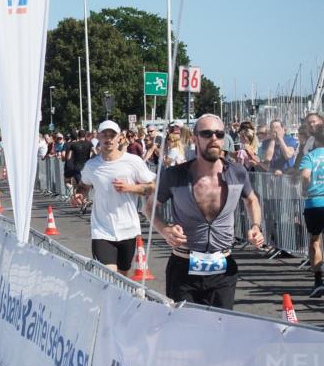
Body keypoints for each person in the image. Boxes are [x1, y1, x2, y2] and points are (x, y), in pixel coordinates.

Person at [147, 114, 264, 309]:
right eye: (207, 134)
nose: (214, 138)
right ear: (195, 139)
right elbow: (149, 207)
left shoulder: (237, 173)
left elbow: (251, 199)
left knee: (220, 326)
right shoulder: (175, 175)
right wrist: (165, 230)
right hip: (184, 267)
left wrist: (256, 226)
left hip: (223, 269)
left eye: (219, 134)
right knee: (185, 326)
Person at [70, 122, 156, 276]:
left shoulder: (133, 161)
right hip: (101, 230)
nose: (108, 139)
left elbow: (152, 186)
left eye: (112, 135)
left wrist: (130, 188)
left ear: (120, 138)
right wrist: (79, 195)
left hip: (128, 228)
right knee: (109, 277)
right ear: (98, 137)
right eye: (105, 135)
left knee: (122, 277)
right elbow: (84, 185)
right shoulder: (92, 165)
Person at [300, 125, 324, 298]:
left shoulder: (310, 156)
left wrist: (305, 187)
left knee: (315, 241)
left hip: (315, 202)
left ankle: (318, 282)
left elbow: (305, 175)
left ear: (315, 140)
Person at [64, 130, 94, 195]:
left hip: (77, 167)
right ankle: (86, 198)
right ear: (85, 135)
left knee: (77, 186)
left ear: (78, 136)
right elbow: (95, 152)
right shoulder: (89, 143)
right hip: (86, 167)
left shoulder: (74, 145)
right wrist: (91, 158)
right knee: (87, 185)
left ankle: (78, 198)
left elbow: (68, 157)